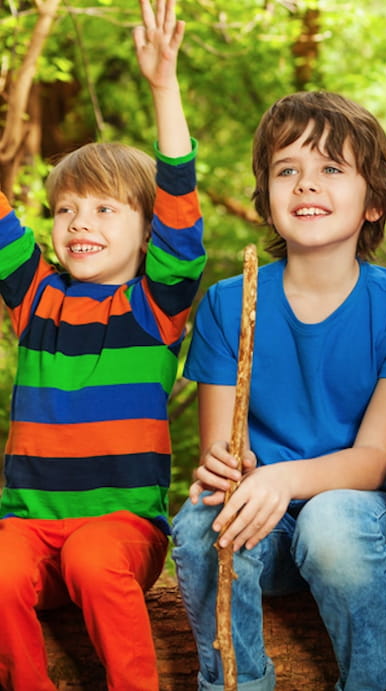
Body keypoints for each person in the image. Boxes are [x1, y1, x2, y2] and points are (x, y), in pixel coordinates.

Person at [171, 90, 386, 691]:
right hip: (258, 525)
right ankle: (238, 684)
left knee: (332, 523)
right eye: (286, 170)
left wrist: (285, 478)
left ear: (373, 202)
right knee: (196, 525)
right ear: (266, 197)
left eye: (330, 169)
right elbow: (223, 451)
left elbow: (375, 461)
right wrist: (227, 469)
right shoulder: (226, 303)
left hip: (349, 517)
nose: (305, 185)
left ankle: (372, 682)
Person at [0, 0, 203, 687]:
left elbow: (180, 203)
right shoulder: (34, 297)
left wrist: (163, 87)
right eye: (64, 209)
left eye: (105, 208)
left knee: (91, 554)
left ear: (146, 230)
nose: (78, 222)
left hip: (120, 532)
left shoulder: (154, 306)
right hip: (27, 530)